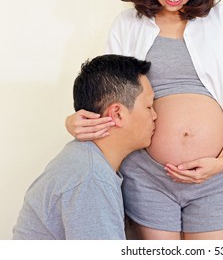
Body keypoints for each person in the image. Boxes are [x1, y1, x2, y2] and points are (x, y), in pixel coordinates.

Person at [65, 0, 223, 240]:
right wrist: (75, 120)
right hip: (147, 175)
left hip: (213, 175)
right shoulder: (127, 24)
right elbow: (109, 92)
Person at [13, 54, 157, 240]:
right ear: (118, 114)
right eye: (149, 106)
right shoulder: (90, 178)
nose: (155, 116)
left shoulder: (85, 160)